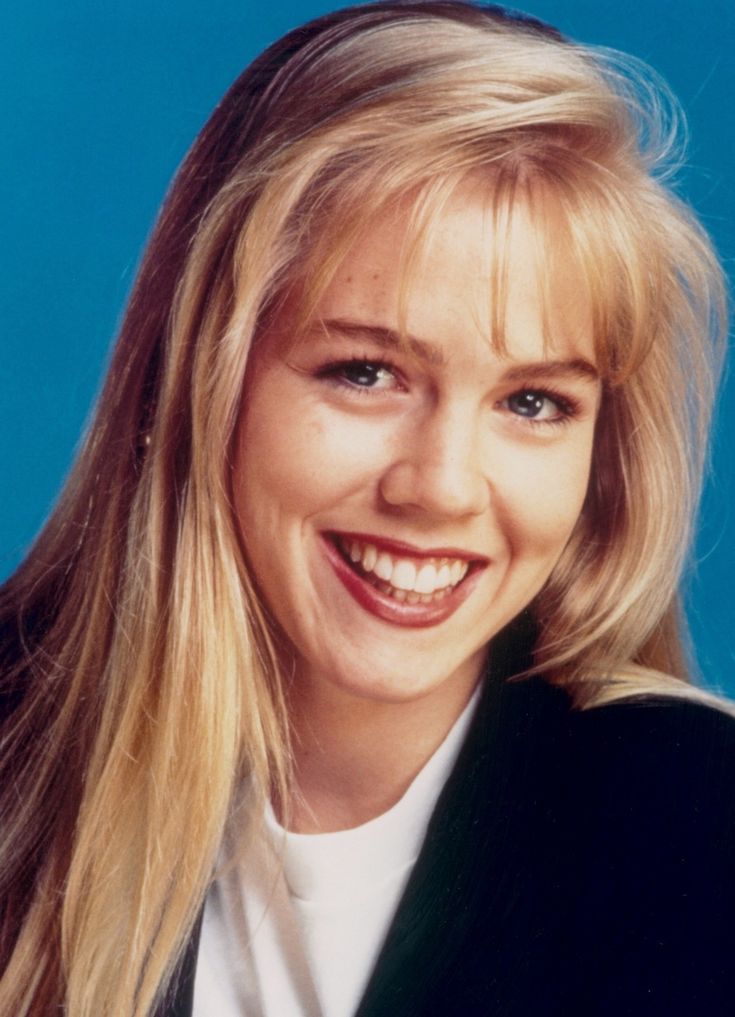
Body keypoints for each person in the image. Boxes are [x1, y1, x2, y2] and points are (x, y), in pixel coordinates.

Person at [1, 2, 733, 1015]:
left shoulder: (699, 825)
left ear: (603, 455)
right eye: (364, 372)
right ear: (198, 381)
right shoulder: (15, 753)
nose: (440, 485)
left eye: (533, 402)